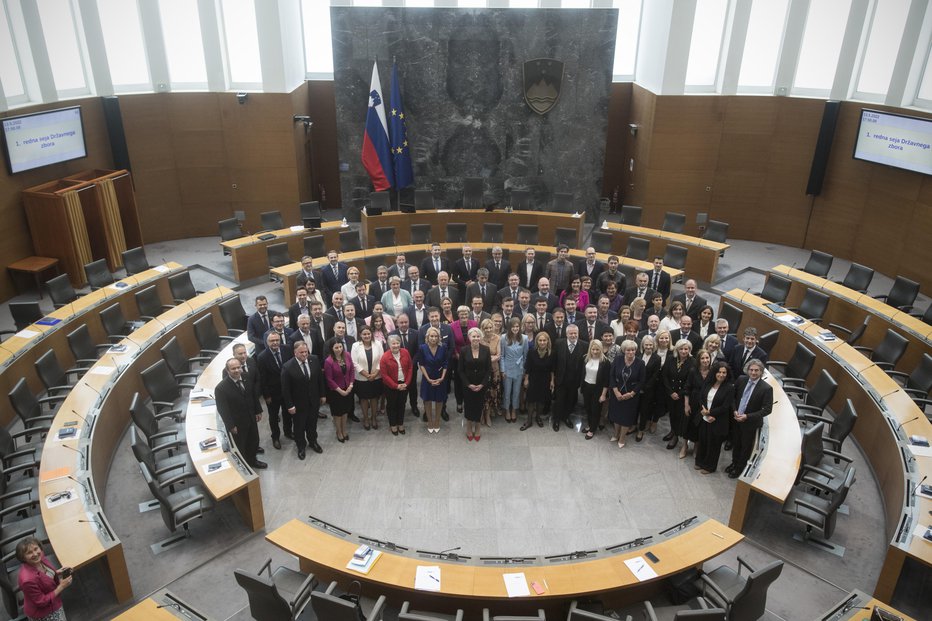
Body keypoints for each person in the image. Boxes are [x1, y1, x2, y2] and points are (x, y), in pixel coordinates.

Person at [216, 357, 266, 469]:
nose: (237, 370)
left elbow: (253, 395)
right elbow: (223, 410)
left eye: (238, 367)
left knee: (253, 440)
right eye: (233, 368)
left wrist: (258, 411)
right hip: (237, 424)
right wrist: (231, 426)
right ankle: (244, 466)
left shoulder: (246, 377)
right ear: (227, 371)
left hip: (251, 417)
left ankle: (253, 460)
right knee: (241, 445)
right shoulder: (221, 388)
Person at [727, 358, 773, 478]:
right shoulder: (741, 379)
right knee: (736, 444)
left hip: (750, 424)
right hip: (737, 419)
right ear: (747, 370)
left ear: (761, 372)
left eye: (756, 370)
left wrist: (747, 416)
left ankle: (739, 468)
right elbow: (732, 397)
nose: (753, 373)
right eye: (751, 370)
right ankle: (734, 463)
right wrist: (735, 410)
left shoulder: (766, 388)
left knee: (745, 448)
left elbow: (767, 409)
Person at [280, 341, 326, 460]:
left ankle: (313, 441)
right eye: (301, 352)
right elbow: (286, 389)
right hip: (298, 404)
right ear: (295, 353)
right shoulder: (288, 367)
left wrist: (322, 395)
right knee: (299, 427)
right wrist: (290, 406)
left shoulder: (314, 359)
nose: (304, 354)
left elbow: (320, 380)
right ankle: (301, 446)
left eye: (306, 351)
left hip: (313, 401)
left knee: (312, 424)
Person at [17, 536, 71, 621]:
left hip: (53, 601)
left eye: (36, 549)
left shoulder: (40, 557)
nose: (35, 554)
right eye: (29, 552)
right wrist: (61, 587)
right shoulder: (27, 580)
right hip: (44, 613)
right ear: (23, 557)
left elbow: (44, 575)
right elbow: (42, 601)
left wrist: (56, 572)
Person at [695, 361, 734, 474]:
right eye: (719, 372)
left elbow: (725, 406)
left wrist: (710, 413)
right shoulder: (708, 383)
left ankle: (709, 467)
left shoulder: (729, 388)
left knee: (714, 444)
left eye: (724, 373)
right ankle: (699, 462)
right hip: (704, 418)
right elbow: (701, 397)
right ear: (714, 372)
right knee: (703, 440)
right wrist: (703, 410)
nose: (721, 375)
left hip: (717, 420)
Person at [608, 339, 645, 448]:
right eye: (628, 350)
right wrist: (615, 391)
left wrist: (631, 394)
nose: (631, 352)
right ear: (624, 350)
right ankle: (616, 434)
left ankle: (622, 437)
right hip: (617, 393)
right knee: (616, 415)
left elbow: (642, 381)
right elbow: (612, 376)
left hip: (631, 396)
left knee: (626, 417)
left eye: (633, 350)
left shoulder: (640, 363)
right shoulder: (617, 360)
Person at [257, 331, 290, 449]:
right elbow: (262, 379)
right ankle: (275, 437)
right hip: (272, 393)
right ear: (267, 342)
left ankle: (288, 432)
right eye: (272, 341)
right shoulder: (262, 357)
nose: (275, 343)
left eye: (277, 340)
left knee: (287, 413)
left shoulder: (287, 349)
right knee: (273, 416)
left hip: (287, 391)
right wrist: (266, 396)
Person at [662, 339, 696, 452]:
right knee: (672, 414)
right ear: (677, 349)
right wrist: (670, 392)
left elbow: (690, 382)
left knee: (679, 416)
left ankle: (676, 436)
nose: (683, 351)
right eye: (681, 348)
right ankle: (672, 431)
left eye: (686, 349)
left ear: (689, 350)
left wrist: (679, 394)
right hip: (670, 393)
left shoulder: (693, 362)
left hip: (683, 395)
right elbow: (665, 376)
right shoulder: (671, 359)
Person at [459, 327, 491, 441]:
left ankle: (477, 427)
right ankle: (468, 427)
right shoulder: (463, 350)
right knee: (468, 405)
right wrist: (468, 384)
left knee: (479, 405)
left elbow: (488, 370)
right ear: (469, 337)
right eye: (473, 336)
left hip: (481, 384)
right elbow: (460, 371)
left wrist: (483, 384)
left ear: (481, 337)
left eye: (478, 336)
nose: (476, 338)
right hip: (468, 385)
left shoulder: (486, 350)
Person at [553, 324, 585, 431]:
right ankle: (556, 420)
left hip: (575, 380)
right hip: (561, 379)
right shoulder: (558, 343)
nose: (573, 335)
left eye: (575, 333)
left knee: (571, 401)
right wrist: (553, 378)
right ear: (566, 334)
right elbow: (555, 361)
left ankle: (566, 417)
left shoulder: (584, 345)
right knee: (559, 401)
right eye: (571, 333)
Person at [351, 326, 383, 430]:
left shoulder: (378, 343)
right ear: (360, 335)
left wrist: (375, 374)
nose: (367, 336)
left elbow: (381, 360)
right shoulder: (355, 346)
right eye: (364, 334)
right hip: (361, 378)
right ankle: (365, 418)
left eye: (368, 334)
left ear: (371, 334)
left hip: (376, 377)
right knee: (364, 399)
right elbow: (354, 363)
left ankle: (373, 418)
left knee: (374, 398)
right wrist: (366, 374)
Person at [417, 326, 449, 433]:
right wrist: (428, 379)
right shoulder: (422, 347)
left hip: (440, 378)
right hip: (427, 378)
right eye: (431, 336)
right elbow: (421, 364)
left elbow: (445, 363)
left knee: (439, 400)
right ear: (427, 337)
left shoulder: (443, 347)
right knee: (427, 400)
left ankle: (437, 421)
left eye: (436, 336)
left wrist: (442, 377)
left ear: (439, 337)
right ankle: (430, 421)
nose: (434, 338)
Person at [380, 335, 413, 436]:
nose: (396, 345)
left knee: (401, 405)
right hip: (391, 386)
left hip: (404, 384)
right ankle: (393, 424)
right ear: (389, 345)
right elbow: (384, 375)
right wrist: (395, 386)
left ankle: (400, 423)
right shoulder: (385, 357)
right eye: (393, 343)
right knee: (392, 406)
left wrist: (406, 383)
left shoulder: (405, 352)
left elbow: (410, 368)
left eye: (397, 343)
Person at [389, 313, 420, 418]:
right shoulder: (391, 335)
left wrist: (411, 363)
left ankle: (414, 406)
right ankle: (399, 407)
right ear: (397, 323)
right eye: (401, 322)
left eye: (406, 322)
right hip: (397, 369)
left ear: (409, 322)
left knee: (412, 388)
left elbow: (418, 351)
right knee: (400, 389)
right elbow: (390, 351)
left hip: (412, 367)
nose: (403, 324)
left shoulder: (416, 333)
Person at [684, 348, 714, 459]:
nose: (705, 360)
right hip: (693, 402)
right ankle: (684, 446)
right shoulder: (693, 371)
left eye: (707, 358)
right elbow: (687, 388)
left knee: (700, 427)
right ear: (699, 360)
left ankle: (696, 448)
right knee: (688, 425)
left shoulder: (713, 372)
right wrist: (686, 405)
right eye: (703, 358)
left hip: (705, 405)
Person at [522, 331, 555, 430]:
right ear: (537, 341)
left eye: (544, 340)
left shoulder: (552, 353)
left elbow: (553, 369)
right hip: (533, 378)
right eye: (540, 340)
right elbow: (528, 367)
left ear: (547, 341)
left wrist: (552, 381)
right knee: (531, 400)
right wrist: (526, 379)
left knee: (541, 400)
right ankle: (529, 420)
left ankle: (538, 417)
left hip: (545, 379)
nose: (542, 342)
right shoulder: (532, 351)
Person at [323, 340, 354, 443]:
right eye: (336, 348)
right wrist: (340, 391)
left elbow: (352, 371)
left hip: (347, 389)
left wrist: (351, 385)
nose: (339, 349)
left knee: (345, 411)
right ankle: (339, 432)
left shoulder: (347, 355)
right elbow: (329, 379)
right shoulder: (328, 361)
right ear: (332, 349)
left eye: (340, 347)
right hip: (336, 391)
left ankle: (344, 430)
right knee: (338, 413)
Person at [500, 317, 528, 423]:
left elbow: (525, 356)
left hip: (519, 369)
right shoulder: (503, 338)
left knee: (516, 392)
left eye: (517, 326)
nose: (515, 328)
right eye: (513, 327)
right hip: (507, 368)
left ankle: (513, 410)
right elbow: (502, 356)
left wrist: (524, 371)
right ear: (509, 327)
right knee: (507, 391)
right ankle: (507, 409)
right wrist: (502, 370)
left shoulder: (524, 338)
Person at [450, 305, 477, 414]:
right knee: (458, 381)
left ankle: (468, 401)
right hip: (458, 359)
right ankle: (459, 402)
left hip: (471, 359)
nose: (464, 315)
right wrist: (456, 355)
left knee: (470, 380)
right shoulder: (452, 326)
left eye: (466, 313)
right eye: (462, 314)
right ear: (458, 315)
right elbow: (452, 343)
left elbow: (476, 340)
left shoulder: (474, 324)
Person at [580, 340, 610, 440]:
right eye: (593, 349)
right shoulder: (585, 358)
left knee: (595, 410)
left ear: (601, 349)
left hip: (598, 389)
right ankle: (590, 425)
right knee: (588, 408)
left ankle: (592, 429)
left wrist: (603, 394)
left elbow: (606, 380)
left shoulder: (605, 362)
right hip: (586, 387)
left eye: (597, 349)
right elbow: (582, 373)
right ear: (590, 349)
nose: (595, 351)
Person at [635, 335, 662, 442]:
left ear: (654, 345)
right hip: (636, 388)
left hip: (648, 390)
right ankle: (633, 426)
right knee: (635, 408)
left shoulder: (657, 358)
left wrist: (644, 388)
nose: (648, 347)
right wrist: (637, 387)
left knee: (644, 410)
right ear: (643, 345)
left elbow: (655, 376)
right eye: (646, 344)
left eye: (650, 345)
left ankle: (641, 430)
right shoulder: (638, 355)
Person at [480, 318, 502, 427]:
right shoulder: (479, 339)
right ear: (482, 329)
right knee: (485, 394)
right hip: (483, 372)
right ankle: (483, 414)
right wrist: (490, 358)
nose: (488, 330)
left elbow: (498, 355)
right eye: (486, 328)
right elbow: (479, 356)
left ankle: (489, 413)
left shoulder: (497, 338)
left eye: (490, 327)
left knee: (493, 392)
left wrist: (487, 358)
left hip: (494, 370)